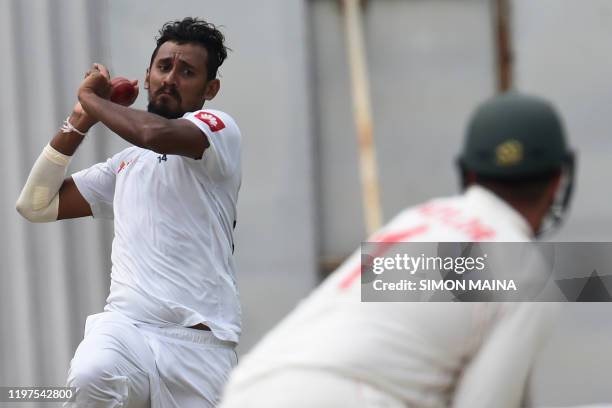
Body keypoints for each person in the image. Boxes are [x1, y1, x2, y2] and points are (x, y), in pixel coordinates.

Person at [219, 92, 575, 408]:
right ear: (558, 179)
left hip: (250, 387)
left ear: (468, 173)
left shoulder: (420, 218)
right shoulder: (529, 269)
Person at [16, 17, 241, 407]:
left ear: (210, 89)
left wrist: (92, 100)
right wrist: (82, 119)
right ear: (147, 76)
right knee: (91, 373)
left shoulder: (216, 129)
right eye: (163, 67)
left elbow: (154, 134)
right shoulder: (124, 165)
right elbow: (36, 204)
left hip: (200, 346)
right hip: (127, 330)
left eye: (187, 72)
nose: (170, 78)